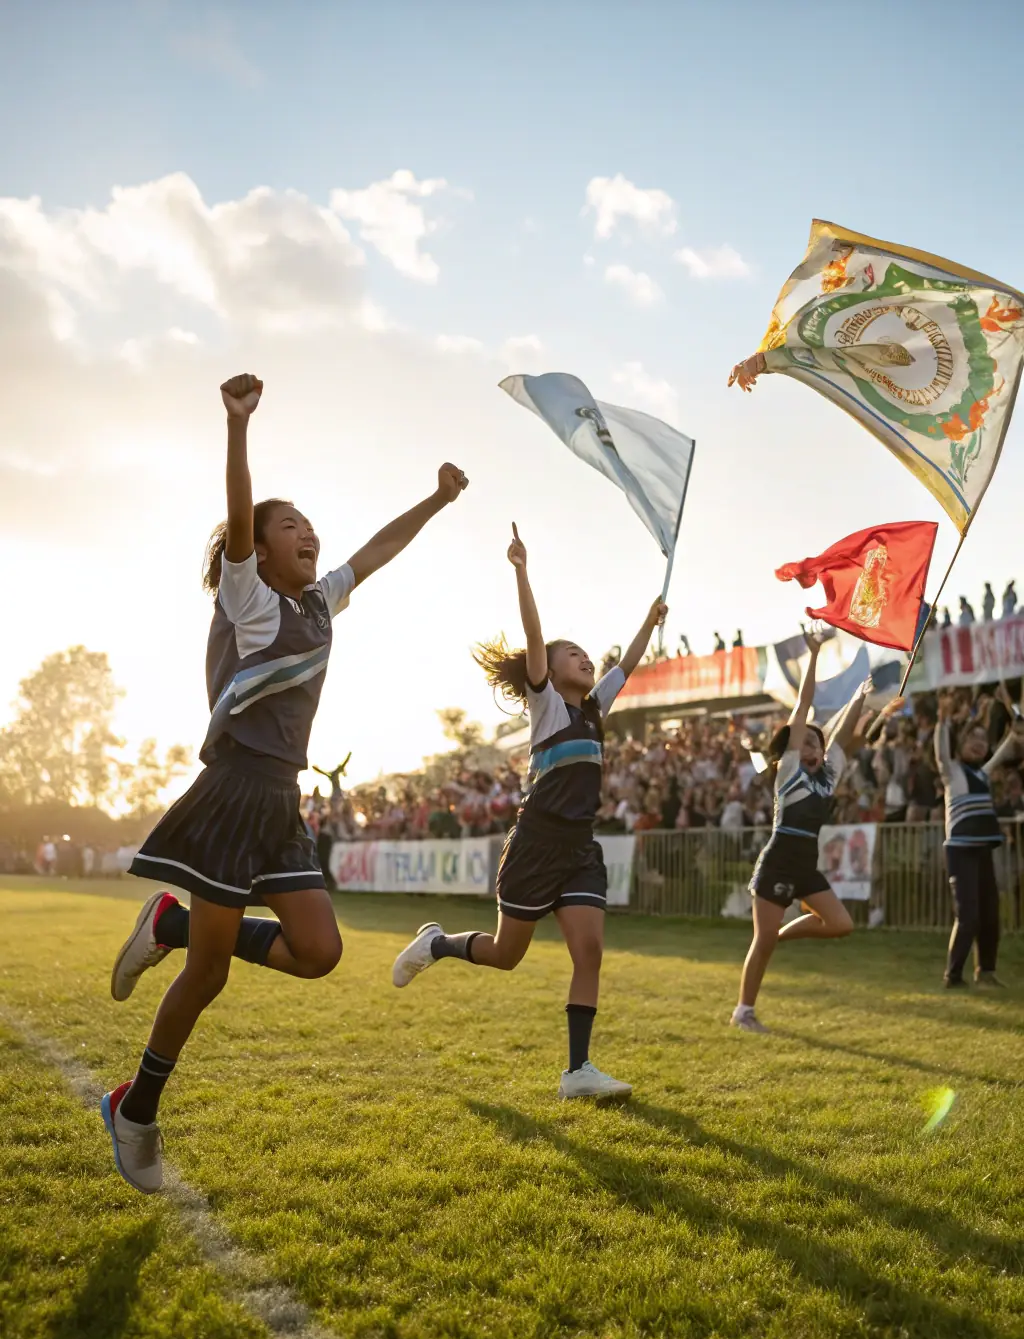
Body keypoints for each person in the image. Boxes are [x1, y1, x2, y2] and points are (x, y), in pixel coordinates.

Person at [101, 373, 468, 1194]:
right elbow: (240, 512)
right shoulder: (250, 596)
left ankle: (172, 921)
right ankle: (136, 1108)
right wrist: (237, 429)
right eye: (287, 525)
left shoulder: (322, 605)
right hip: (235, 790)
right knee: (210, 972)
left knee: (320, 951)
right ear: (257, 550)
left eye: (308, 523)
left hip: (283, 800)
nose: (305, 532)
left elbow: (374, 551)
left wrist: (436, 501)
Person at [391, 523, 667, 1100]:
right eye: (574, 653)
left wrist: (650, 620)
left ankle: (577, 1072)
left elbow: (631, 663)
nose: (584, 658)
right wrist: (522, 571)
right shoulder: (545, 707)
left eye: (586, 653)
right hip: (536, 845)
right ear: (548, 667)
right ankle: (436, 943)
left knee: (589, 951)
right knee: (505, 955)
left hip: (580, 849)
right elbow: (534, 635)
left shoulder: (593, 710)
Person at [732, 632, 869, 1033]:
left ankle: (781, 935)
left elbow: (845, 732)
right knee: (763, 942)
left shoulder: (828, 778)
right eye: (805, 740)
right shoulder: (787, 771)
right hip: (778, 861)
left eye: (816, 742)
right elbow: (803, 705)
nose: (812, 746)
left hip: (805, 864)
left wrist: (861, 693)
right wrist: (812, 656)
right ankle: (744, 1011)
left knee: (841, 924)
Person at [934, 690, 1021, 989]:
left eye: (983, 739)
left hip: (983, 851)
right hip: (960, 852)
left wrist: (1014, 723)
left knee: (990, 915)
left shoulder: (983, 774)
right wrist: (943, 721)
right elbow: (941, 753)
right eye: (973, 738)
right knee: (968, 915)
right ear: (961, 742)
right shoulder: (953, 772)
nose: (979, 743)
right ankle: (953, 975)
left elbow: (1008, 746)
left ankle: (985, 971)